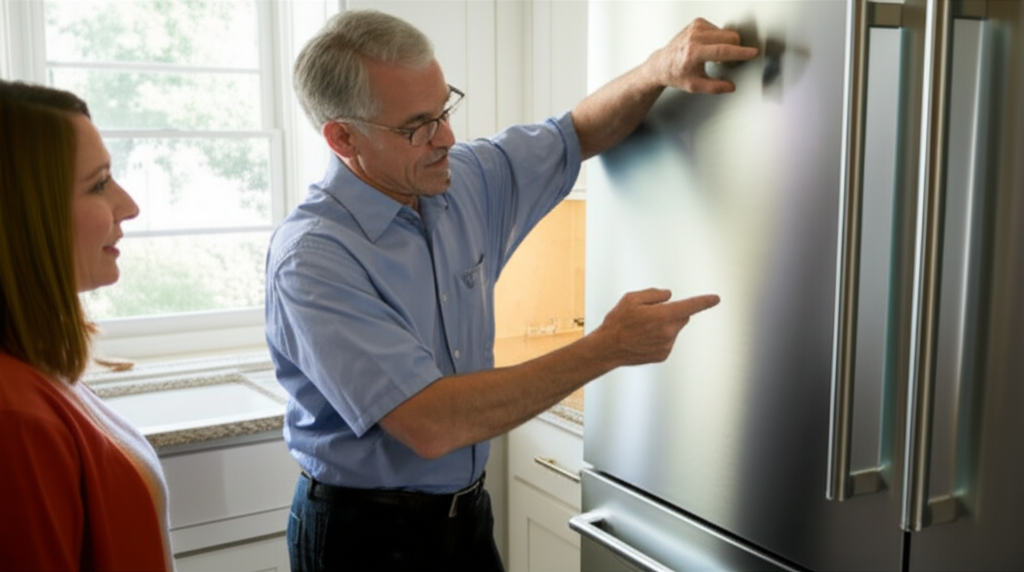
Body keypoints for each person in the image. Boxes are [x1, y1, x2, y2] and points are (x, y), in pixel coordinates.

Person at [266, 9, 758, 572]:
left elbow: (574, 133)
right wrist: (606, 347)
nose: (446, 137)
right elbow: (431, 423)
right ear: (343, 136)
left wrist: (653, 70)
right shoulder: (314, 258)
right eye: (417, 126)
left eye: (445, 108)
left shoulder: (463, 182)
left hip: (466, 518)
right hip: (366, 539)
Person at [0, 81, 172, 571]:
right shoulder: (15, 418)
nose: (129, 205)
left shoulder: (38, 367)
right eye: (99, 184)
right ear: (22, 214)